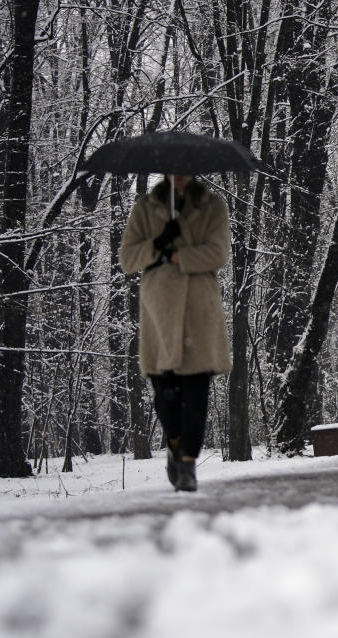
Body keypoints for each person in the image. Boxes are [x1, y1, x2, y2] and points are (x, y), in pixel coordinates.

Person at [118, 175, 232, 492]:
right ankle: (174, 442)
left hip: (199, 308)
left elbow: (218, 253)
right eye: (173, 170)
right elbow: (127, 259)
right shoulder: (146, 208)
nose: (180, 176)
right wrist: (157, 243)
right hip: (159, 310)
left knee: (196, 392)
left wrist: (177, 255)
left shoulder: (212, 206)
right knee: (165, 393)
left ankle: (187, 464)